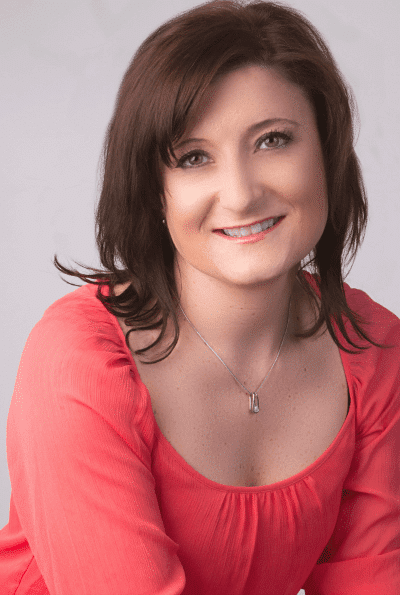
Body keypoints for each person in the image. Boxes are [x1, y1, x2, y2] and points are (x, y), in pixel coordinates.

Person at [1, 0, 399, 593]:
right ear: (153, 191)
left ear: (328, 152)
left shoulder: (375, 351)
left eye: (273, 141)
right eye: (193, 158)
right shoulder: (79, 360)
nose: (239, 195)